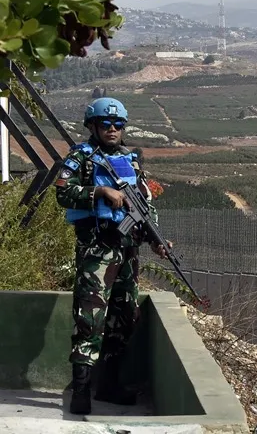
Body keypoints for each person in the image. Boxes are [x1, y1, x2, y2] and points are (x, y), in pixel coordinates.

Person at [55, 97, 171, 415]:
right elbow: (61, 192)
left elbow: (144, 207)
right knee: (89, 318)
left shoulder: (131, 160)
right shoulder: (82, 157)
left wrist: (156, 239)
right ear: (92, 126)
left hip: (127, 253)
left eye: (118, 124)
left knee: (125, 317)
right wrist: (98, 192)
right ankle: (81, 390)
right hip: (97, 251)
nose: (112, 129)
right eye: (105, 124)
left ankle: (109, 385)